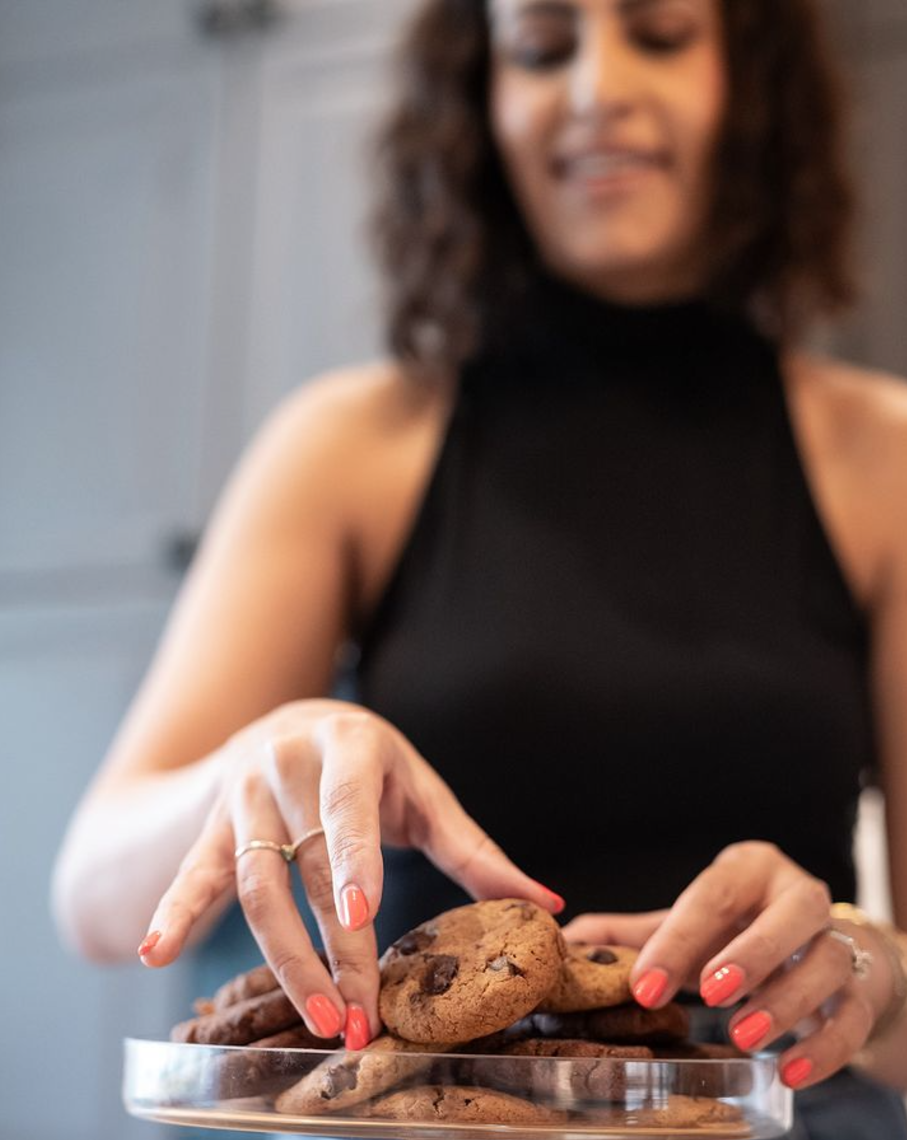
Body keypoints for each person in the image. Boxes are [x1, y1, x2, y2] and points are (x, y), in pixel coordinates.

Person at [53, 0, 907, 1135]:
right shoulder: (350, 444)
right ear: (482, 102)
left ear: (749, 85)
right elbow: (93, 896)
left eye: (659, 34)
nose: (597, 88)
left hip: (775, 1109)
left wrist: (864, 965)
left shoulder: (882, 457)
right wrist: (251, 764)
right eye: (542, 47)